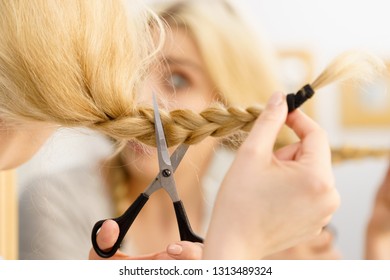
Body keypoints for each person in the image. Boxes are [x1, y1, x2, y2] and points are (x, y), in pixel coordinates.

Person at [4, 0, 379, 260]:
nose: (140, 97)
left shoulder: (245, 212)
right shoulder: (56, 200)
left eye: (177, 79)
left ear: (231, 105)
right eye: (133, 75)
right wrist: (241, 249)